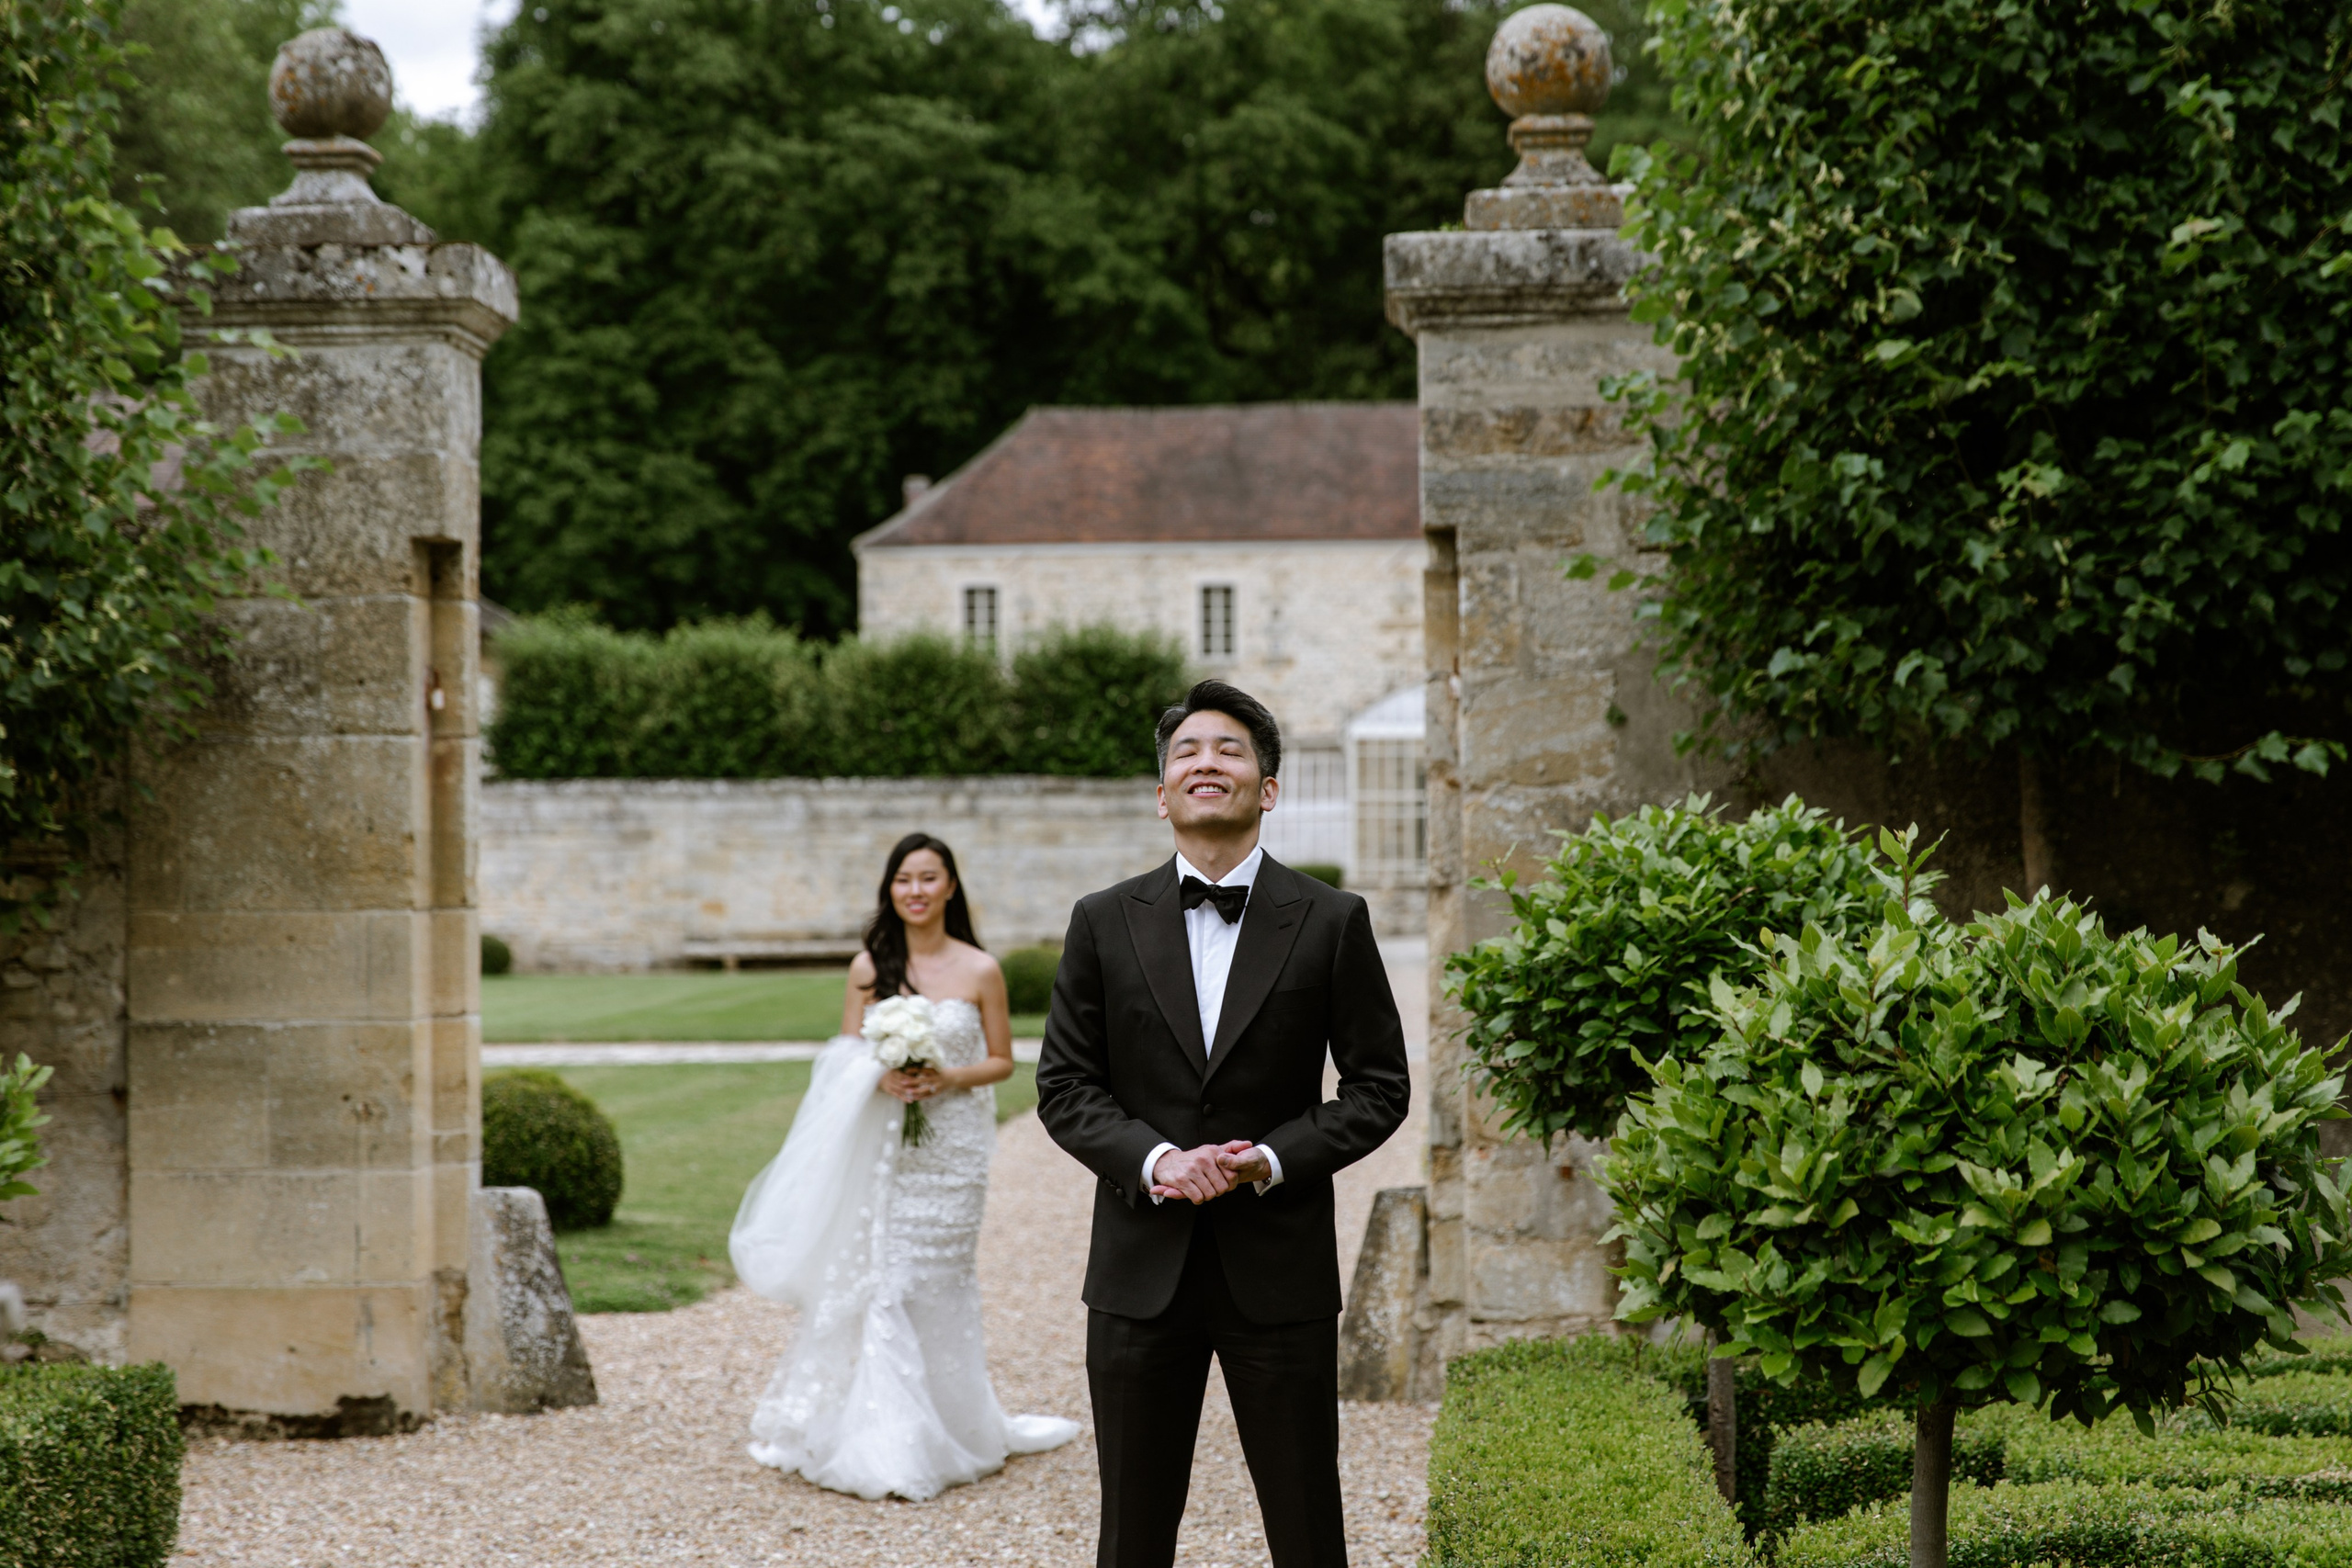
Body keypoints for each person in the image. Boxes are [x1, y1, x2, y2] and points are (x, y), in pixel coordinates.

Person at [1035, 681, 1412, 1568]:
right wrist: (1158, 1159)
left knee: (1307, 1528)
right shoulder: (1100, 921)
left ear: (1268, 788)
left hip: (1278, 1270)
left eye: (1230, 749)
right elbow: (1065, 1085)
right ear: (1162, 793)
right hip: (1139, 1270)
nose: (1207, 762)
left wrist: (1272, 1157)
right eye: (1188, 751)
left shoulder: (1333, 919)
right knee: (1131, 1534)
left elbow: (1379, 1086)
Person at [729, 832, 1080, 1501]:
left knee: (940, 1285)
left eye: (928, 877)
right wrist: (879, 1073)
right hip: (887, 1148)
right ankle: (889, 1442)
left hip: (954, 1151)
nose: (915, 890)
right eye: (903, 879)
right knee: (887, 1280)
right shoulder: (870, 967)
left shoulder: (981, 969)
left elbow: (1002, 1060)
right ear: (890, 890)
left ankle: (955, 1424)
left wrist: (947, 1076)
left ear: (950, 886)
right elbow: (842, 1056)